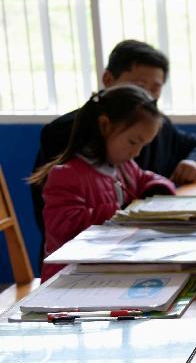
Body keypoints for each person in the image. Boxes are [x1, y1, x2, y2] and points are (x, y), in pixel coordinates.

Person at [31, 40, 196, 234]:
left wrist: (194, 163)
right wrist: (128, 208)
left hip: (133, 236)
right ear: (108, 79)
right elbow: (61, 223)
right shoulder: (68, 132)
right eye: (138, 86)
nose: (145, 96)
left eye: (155, 89)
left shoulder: (153, 124)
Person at [29, 84, 176, 280]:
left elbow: (143, 178)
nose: (137, 153)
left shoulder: (124, 165)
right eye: (133, 142)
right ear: (105, 126)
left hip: (109, 269)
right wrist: (120, 212)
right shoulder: (65, 175)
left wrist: (156, 188)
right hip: (69, 279)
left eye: (143, 145)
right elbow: (64, 230)